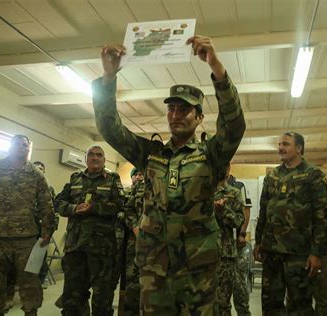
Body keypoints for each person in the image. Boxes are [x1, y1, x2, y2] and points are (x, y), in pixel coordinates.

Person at [91, 35, 245, 314]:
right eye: (171, 108)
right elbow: (109, 129)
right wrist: (108, 77)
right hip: (155, 265)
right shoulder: (150, 153)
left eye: (184, 109)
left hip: (197, 268)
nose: (175, 114)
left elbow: (234, 126)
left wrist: (217, 68)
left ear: (199, 117)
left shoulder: (211, 154)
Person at [0, 134, 56, 316]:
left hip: (26, 241)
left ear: (28, 149)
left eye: (25, 145)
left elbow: (47, 206)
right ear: (10, 147)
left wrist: (47, 232)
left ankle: (30, 312)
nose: (21, 147)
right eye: (17, 144)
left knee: (30, 281)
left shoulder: (36, 174)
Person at [254, 132, 327, 315]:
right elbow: (263, 211)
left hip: (300, 253)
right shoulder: (272, 177)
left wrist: (317, 252)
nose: (281, 148)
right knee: (271, 304)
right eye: (279, 144)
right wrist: (258, 241)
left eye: (286, 144)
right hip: (272, 252)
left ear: (299, 148)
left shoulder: (313, 175)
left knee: (300, 306)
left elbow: (322, 216)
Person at [55, 145, 125, 316]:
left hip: (101, 248)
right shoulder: (75, 178)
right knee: (72, 299)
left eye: (99, 155)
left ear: (104, 159)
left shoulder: (112, 179)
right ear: (86, 158)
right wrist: (73, 208)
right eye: (91, 155)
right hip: (75, 246)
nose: (95, 158)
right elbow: (59, 203)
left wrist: (93, 207)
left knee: (102, 300)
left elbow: (119, 205)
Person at [214, 164, 245, 315]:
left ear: (228, 169)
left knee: (223, 303)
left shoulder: (234, 193)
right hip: (201, 254)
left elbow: (239, 221)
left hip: (225, 256)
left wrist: (223, 211)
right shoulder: (202, 190)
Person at [227, 174, 252, 316]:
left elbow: (246, 210)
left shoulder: (239, 186)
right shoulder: (212, 184)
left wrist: (242, 234)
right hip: (221, 245)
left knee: (240, 288)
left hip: (237, 245)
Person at [121, 167, 144, 315]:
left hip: (162, 246)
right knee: (133, 288)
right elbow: (128, 209)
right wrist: (135, 228)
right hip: (136, 243)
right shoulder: (139, 187)